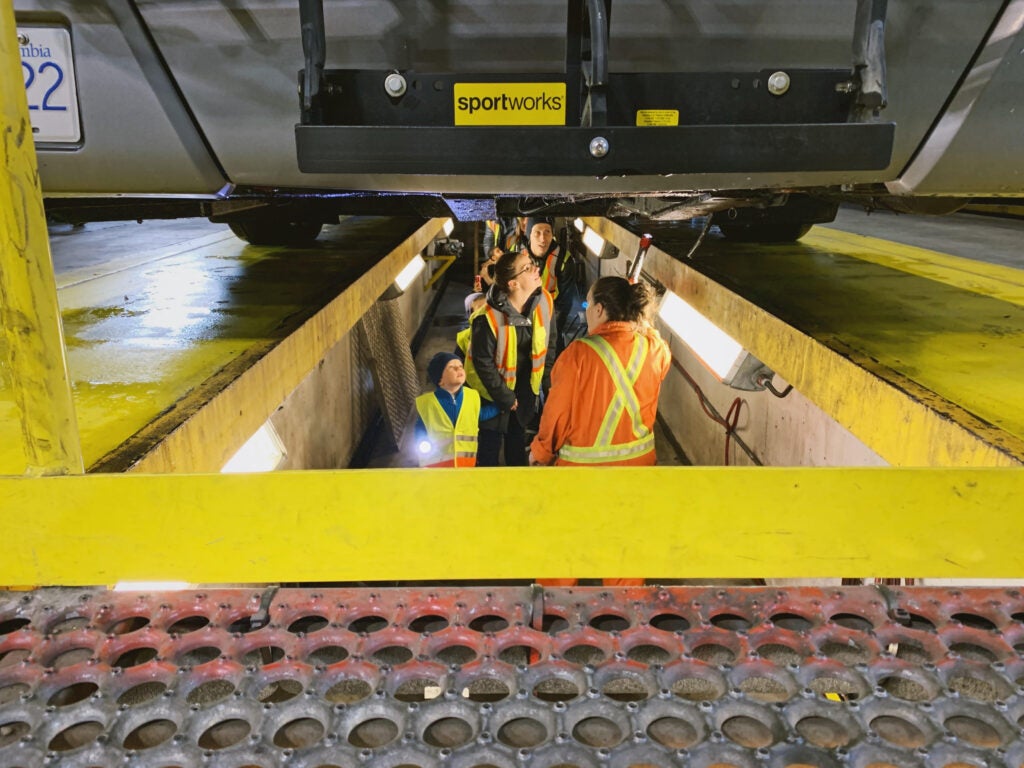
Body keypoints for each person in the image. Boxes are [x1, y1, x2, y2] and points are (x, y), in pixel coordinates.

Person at [529, 276, 670, 467]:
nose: (586, 310)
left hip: (585, 471)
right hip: (640, 468)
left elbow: (557, 413)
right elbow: (650, 334)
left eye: (588, 303)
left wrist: (540, 453)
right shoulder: (654, 349)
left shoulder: (577, 354)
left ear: (599, 309)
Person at [465, 250, 555, 466]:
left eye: (532, 264)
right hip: (492, 395)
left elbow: (549, 345)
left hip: (524, 390)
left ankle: (516, 483)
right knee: (489, 447)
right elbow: (483, 363)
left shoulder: (545, 301)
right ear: (513, 284)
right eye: (527, 268)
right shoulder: (485, 319)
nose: (536, 269)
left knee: (517, 439)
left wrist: (548, 383)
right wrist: (504, 396)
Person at [414, 352, 496, 467]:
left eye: (461, 366)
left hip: (466, 464)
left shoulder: (472, 396)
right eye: (451, 367)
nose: (459, 368)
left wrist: (501, 406)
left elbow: (478, 415)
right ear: (440, 379)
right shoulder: (427, 403)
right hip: (436, 467)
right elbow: (420, 428)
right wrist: (421, 445)